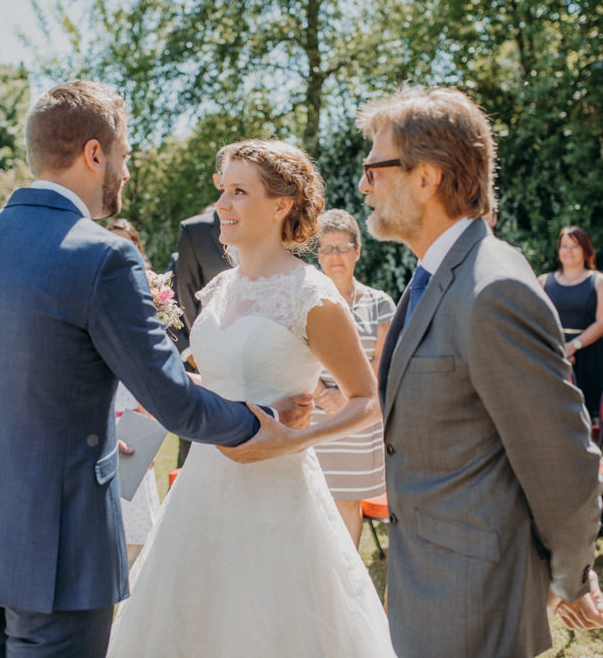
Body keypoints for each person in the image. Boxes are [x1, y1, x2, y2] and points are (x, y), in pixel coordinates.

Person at [0, 82, 312, 657]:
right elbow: (173, 400)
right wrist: (262, 420)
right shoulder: (103, 255)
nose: (126, 172)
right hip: (60, 542)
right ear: (95, 154)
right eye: (123, 155)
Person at [107, 140, 395, 657]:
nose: (222, 204)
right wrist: (170, 390)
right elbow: (217, 385)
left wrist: (292, 439)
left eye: (239, 192)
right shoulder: (218, 290)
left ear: (281, 205)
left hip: (279, 498)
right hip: (201, 490)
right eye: (223, 191)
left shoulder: (313, 294)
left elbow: (365, 399)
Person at [356, 86, 603, 656]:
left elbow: (562, 459)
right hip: (429, 580)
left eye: (374, 167)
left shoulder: (493, 287)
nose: (364, 185)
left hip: (474, 597)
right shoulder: (438, 272)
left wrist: (569, 579)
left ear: (427, 178)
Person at [311, 208, 395, 546]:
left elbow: (381, 361)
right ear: (317, 255)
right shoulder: (305, 300)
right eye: (327, 248)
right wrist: (322, 395)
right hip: (315, 417)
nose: (335, 256)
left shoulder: (380, 303)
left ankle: (348, 584)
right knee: (313, 500)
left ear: (357, 251)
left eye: (342, 247)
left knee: (346, 500)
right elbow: (292, 357)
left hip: (359, 420)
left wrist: (348, 398)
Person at [173, 150, 237, 465]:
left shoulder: (267, 227)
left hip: (252, 356)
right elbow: (183, 293)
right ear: (217, 180)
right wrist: (193, 353)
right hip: (204, 359)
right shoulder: (194, 231)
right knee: (197, 449)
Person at [106, 219, 160, 567]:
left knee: (136, 538)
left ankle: (124, 617)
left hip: (135, 417)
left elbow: (156, 369)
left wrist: (150, 427)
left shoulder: (151, 301)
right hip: (99, 413)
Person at [539, 226, 603, 422]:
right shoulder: (543, 282)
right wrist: (558, 351)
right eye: (565, 246)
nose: (569, 251)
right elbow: (537, 320)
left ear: (586, 250)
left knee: (589, 417)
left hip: (589, 356)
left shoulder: (599, 281)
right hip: (553, 356)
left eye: (575, 246)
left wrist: (573, 347)